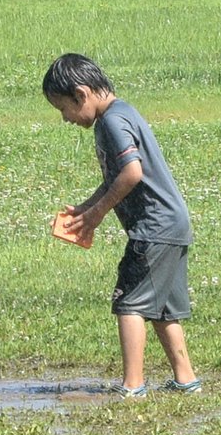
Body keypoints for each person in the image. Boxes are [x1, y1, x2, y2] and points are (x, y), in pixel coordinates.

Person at [42, 53, 201, 398]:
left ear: (81, 95)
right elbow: (117, 176)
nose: (65, 119)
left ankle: (132, 385)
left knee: (129, 303)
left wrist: (98, 214)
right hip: (173, 222)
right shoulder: (121, 112)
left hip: (153, 227)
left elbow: (131, 173)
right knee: (162, 308)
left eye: (63, 109)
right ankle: (186, 379)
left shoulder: (112, 122)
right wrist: (87, 207)